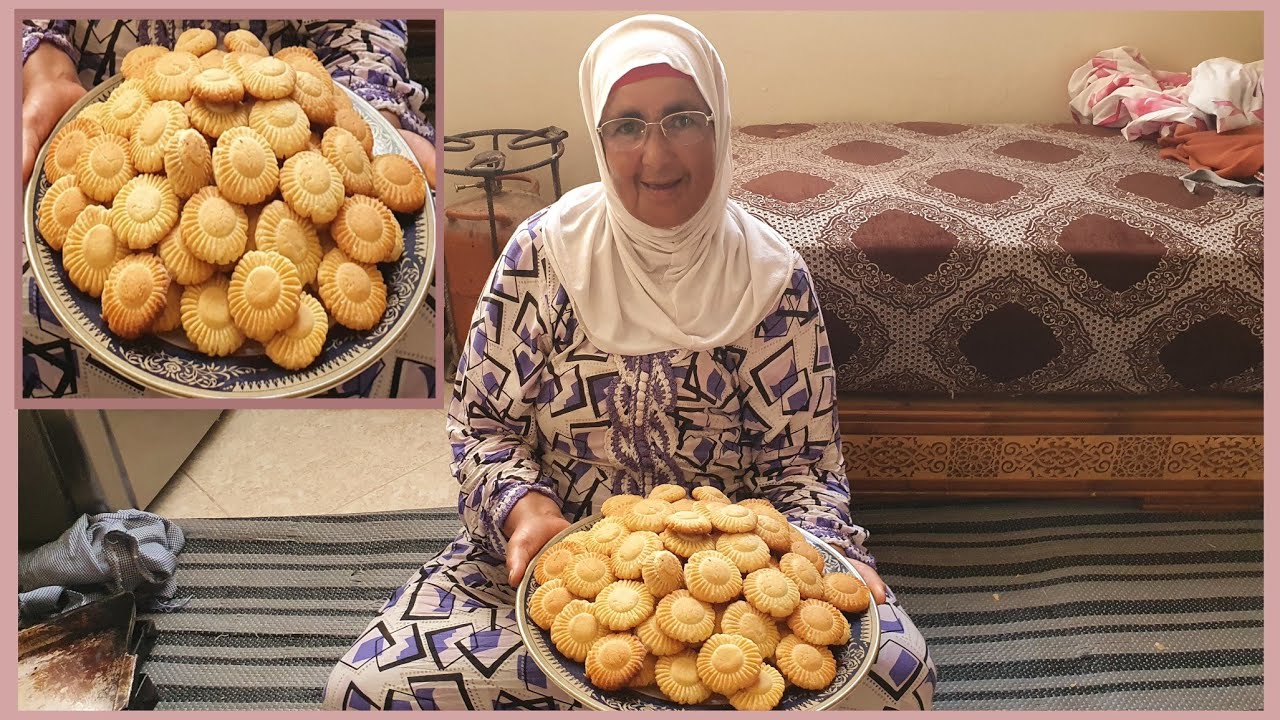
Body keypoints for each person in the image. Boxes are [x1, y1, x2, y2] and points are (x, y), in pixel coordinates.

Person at [324, 15, 936, 710]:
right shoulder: (543, 258)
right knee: (368, 689)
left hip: (732, 586)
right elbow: (482, 426)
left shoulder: (771, 280)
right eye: (627, 126)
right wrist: (523, 511)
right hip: (550, 565)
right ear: (598, 135)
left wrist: (823, 557)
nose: (657, 154)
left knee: (895, 678)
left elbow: (804, 467)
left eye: (683, 119)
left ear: (720, 124)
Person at [20, 20, 437, 399]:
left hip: (297, 96)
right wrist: (46, 72)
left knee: (421, 305)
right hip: (103, 99)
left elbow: (363, 28)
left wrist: (369, 111)